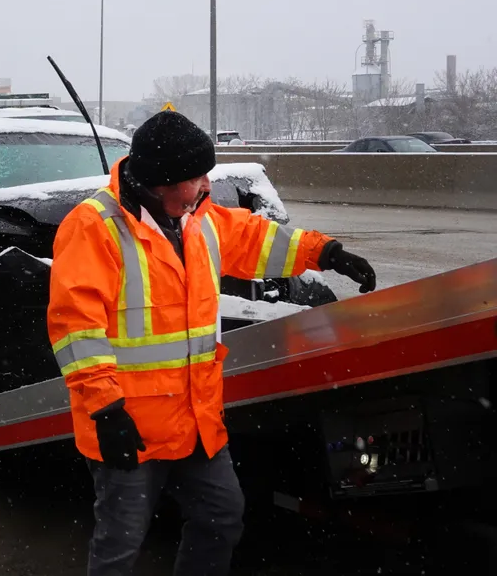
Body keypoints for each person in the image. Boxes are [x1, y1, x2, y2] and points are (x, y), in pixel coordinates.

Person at [48, 110, 376, 576]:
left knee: (221, 517)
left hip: (194, 419)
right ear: (163, 181)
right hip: (129, 426)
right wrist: (105, 409)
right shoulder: (95, 228)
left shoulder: (198, 219)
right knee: (120, 547)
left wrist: (324, 252)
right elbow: (75, 326)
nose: (206, 184)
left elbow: (255, 239)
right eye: (196, 176)